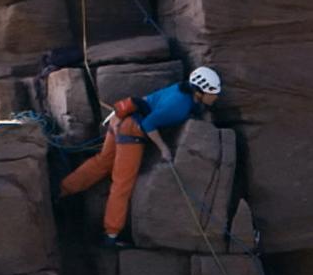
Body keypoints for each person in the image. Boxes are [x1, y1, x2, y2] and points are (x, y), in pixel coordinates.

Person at [58, 65, 225, 245]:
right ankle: (111, 234)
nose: (216, 97)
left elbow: (153, 102)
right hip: (132, 131)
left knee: (102, 162)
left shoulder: (181, 89)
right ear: (201, 91)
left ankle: (62, 190)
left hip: (123, 119)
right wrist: (164, 149)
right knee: (122, 184)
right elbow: (148, 124)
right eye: (213, 93)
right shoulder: (179, 106)